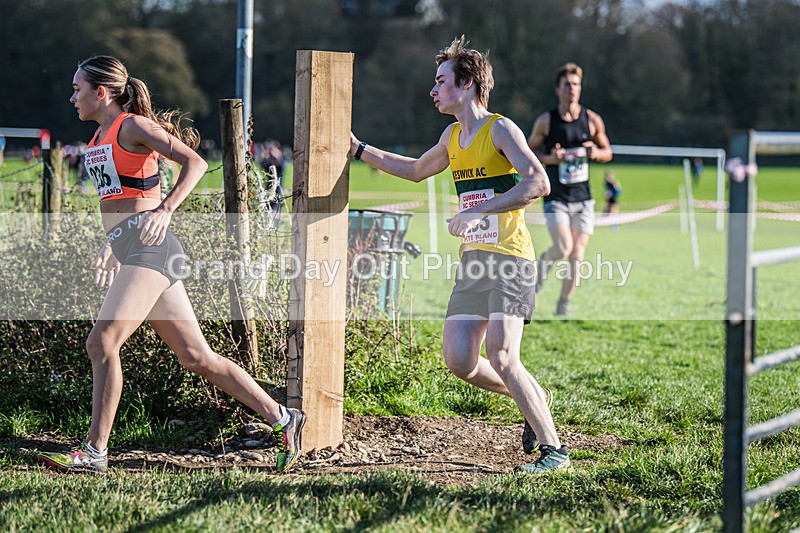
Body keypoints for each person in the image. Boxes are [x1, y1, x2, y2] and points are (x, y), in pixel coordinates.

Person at [36, 55, 304, 474]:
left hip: (153, 250)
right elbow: (123, 201)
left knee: (101, 342)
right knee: (197, 357)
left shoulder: (133, 126)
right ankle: (285, 420)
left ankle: (94, 453)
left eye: (77, 88)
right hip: (134, 249)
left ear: (101, 92)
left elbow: (194, 164)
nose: (73, 97)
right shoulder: (98, 138)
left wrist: (166, 210)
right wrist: (112, 245)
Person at [350, 36, 569, 474]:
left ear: (467, 83)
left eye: (440, 81)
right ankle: (534, 398)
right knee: (460, 359)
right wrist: (358, 150)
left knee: (504, 355)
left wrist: (479, 211)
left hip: (510, 256)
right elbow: (414, 171)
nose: (432, 90)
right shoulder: (452, 136)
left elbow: (538, 184)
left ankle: (553, 451)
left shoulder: (501, 129)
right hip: (474, 261)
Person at [528, 63, 613, 316]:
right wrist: (550, 159)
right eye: (567, 85)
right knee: (563, 248)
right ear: (558, 89)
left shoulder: (592, 119)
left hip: (583, 198)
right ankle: (541, 268)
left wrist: (594, 153)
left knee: (577, 256)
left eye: (576, 84)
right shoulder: (546, 121)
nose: (572, 89)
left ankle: (563, 303)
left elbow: (608, 152)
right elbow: (528, 152)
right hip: (556, 197)